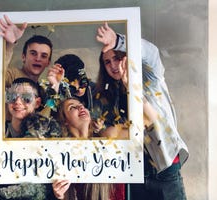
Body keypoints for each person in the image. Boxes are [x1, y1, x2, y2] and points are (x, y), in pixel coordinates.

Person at [95, 22, 189, 200]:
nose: (113, 65)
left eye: (117, 57)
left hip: (164, 167)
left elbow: (151, 53)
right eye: (107, 62)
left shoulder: (150, 79)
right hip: (135, 172)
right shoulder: (111, 94)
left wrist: (117, 41)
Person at [0, 77, 60, 200]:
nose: (18, 102)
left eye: (26, 98)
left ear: (37, 102)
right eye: (12, 97)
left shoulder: (48, 136)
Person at [52, 97, 126, 200]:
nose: (81, 107)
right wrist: (61, 195)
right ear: (65, 121)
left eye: (82, 105)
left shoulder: (106, 138)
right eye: (72, 107)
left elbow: (138, 130)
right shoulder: (62, 154)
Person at [0, 15, 53, 87]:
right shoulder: (12, 75)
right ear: (23, 57)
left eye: (43, 56)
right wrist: (10, 44)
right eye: (33, 53)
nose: (38, 59)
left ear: (48, 63)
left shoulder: (42, 88)